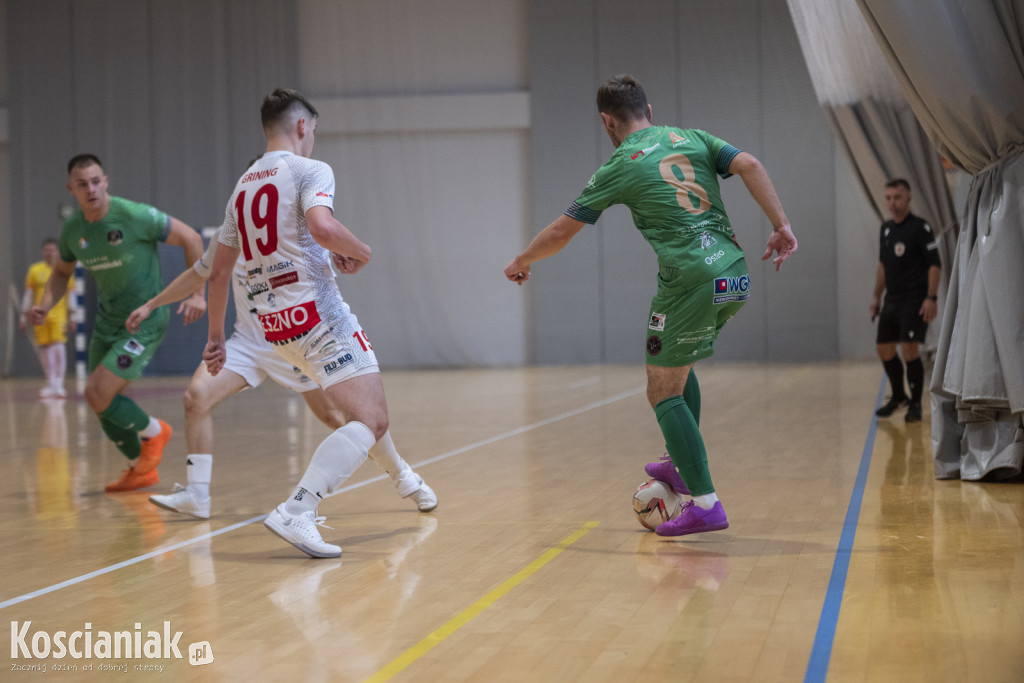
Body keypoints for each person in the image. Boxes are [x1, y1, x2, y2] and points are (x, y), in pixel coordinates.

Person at [504, 75, 797, 537]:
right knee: (679, 367)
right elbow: (751, 164)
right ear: (649, 110)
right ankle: (680, 466)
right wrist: (780, 225)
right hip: (734, 272)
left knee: (661, 389)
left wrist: (522, 259)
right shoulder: (693, 137)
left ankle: (705, 504)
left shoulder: (619, 165)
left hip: (689, 280)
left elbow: (562, 232)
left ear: (607, 122)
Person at [204, 88, 427, 559]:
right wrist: (360, 252)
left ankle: (406, 479)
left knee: (363, 411)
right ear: (303, 126)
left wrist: (214, 340)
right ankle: (297, 510)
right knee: (372, 417)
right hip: (318, 316)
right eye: (313, 132)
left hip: (275, 326)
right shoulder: (309, 170)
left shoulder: (241, 186)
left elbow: (219, 271)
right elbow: (322, 226)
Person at [125, 222, 437, 520]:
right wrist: (152, 304)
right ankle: (197, 494)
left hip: (295, 342)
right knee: (196, 397)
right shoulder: (229, 232)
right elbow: (200, 274)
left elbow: (329, 257)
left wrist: (346, 255)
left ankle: (402, 474)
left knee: (344, 418)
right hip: (248, 343)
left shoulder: (294, 226)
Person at [30, 154, 205, 492]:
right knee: (100, 402)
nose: (91, 188)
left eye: (96, 181)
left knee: (96, 392)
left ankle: (156, 432)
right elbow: (61, 274)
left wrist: (197, 295)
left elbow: (193, 239)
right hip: (108, 323)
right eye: (82, 184)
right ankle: (140, 468)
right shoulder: (73, 230)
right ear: (72, 189)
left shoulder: (134, 215)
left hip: (146, 321)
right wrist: (45, 304)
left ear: (106, 181)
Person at [869, 178, 941, 423]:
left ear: (908, 198)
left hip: (914, 299)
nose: (892, 203)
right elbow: (882, 265)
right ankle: (899, 396)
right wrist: (876, 296)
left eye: (897, 198)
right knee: (884, 348)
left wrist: (931, 297)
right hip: (892, 300)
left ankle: (915, 405)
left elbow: (935, 264)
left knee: (909, 350)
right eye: (888, 198)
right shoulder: (886, 229)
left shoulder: (920, 228)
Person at [21, 238, 76, 398]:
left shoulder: (63, 270)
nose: (49, 253)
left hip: (58, 315)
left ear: (58, 251)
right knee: (44, 349)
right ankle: (50, 383)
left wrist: (73, 316)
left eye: (52, 250)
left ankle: (59, 384)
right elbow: (28, 294)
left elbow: (71, 294)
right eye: (46, 250)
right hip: (40, 315)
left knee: (58, 346)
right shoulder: (35, 270)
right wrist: (23, 317)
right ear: (42, 251)